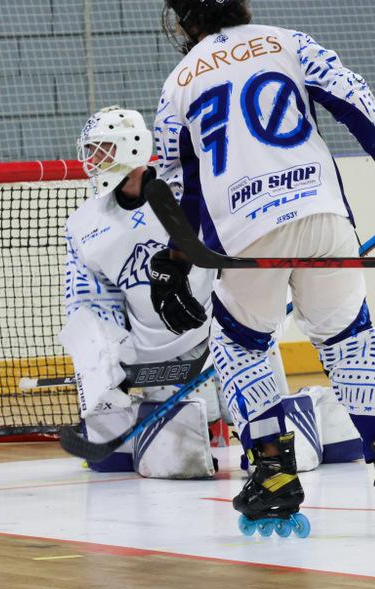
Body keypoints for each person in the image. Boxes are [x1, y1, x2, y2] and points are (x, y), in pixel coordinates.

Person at [151, 0, 375, 537]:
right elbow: (350, 94)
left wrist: (172, 263)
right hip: (321, 211)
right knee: (348, 335)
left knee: (240, 342)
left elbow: (177, 183)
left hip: (243, 231)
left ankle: (273, 472)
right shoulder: (287, 40)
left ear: (184, 19)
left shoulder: (178, 83)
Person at [63, 106, 225, 478]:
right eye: (90, 150)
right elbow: (88, 305)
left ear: (131, 148)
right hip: (152, 353)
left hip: (215, 337)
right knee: (164, 465)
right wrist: (104, 370)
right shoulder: (84, 225)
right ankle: (147, 421)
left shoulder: (189, 194)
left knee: (250, 404)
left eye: (101, 149)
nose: (92, 159)